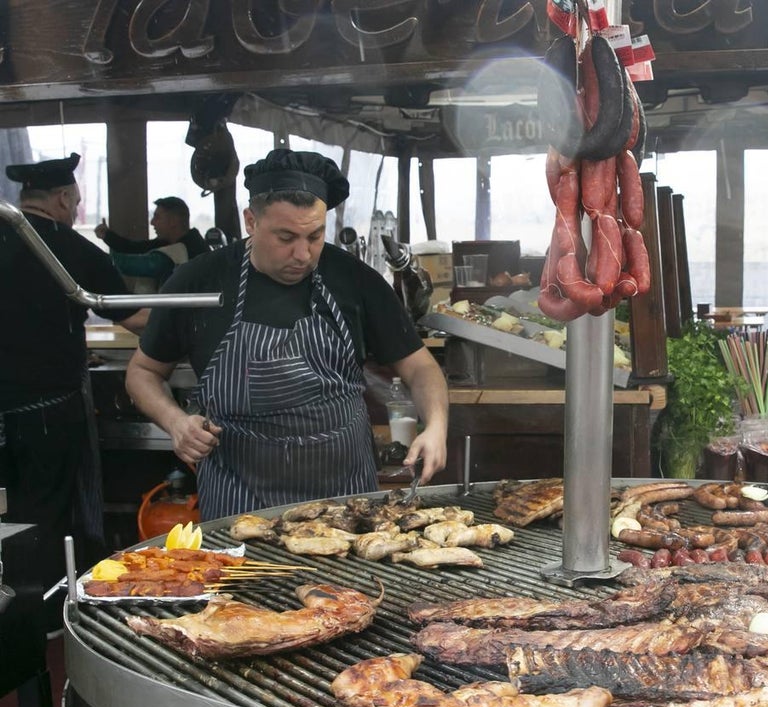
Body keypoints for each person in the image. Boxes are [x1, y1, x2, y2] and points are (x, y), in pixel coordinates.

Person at [125, 149, 448, 520]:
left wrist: (436, 426)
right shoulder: (198, 281)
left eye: (315, 235)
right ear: (250, 221)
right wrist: (175, 422)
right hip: (239, 502)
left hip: (345, 502)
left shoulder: (355, 280)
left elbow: (420, 367)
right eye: (285, 237)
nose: (303, 254)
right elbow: (142, 373)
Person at [0, 153, 148, 623]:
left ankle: (12, 612)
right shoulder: (70, 247)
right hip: (47, 408)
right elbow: (133, 316)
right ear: (63, 199)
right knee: (46, 512)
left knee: (9, 517)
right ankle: (43, 619)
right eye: (77, 202)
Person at [95, 197, 208, 290]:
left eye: (157, 217)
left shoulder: (187, 249)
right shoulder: (168, 243)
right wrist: (107, 236)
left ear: (173, 221)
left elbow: (133, 265)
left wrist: (97, 260)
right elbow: (133, 248)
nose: (152, 222)